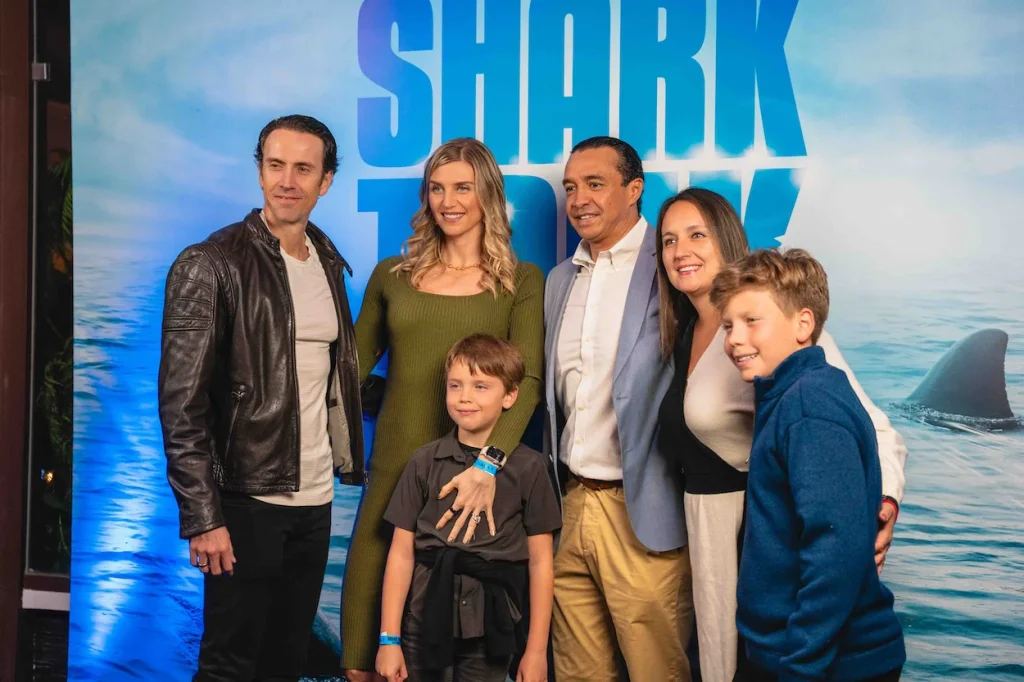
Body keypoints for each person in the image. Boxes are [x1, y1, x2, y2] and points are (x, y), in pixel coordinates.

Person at [654, 188, 908, 681]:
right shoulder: (689, 332)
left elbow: (869, 430)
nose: (680, 250)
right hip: (726, 540)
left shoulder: (785, 340)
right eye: (668, 240)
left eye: (696, 234)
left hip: (759, 535)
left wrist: (882, 504)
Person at [158, 114, 364, 681]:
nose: (287, 181)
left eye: (304, 169)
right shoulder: (210, 262)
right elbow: (181, 406)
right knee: (229, 666)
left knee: (286, 663)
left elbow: (324, 377)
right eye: (276, 165)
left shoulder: (326, 260)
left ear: (326, 181)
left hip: (315, 501)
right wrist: (203, 516)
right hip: (245, 501)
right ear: (259, 172)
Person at [341, 138, 545, 681]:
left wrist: (488, 465)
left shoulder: (521, 280)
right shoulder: (393, 276)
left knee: (454, 649)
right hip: (392, 472)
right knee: (362, 656)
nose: (447, 201)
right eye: (436, 188)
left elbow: (528, 383)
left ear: (488, 195)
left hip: (472, 484)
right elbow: (346, 373)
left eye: (462, 188)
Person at [711, 248, 906, 681]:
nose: (735, 339)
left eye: (751, 321)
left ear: (803, 324)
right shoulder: (792, 394)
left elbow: (834, 554)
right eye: (728, 325)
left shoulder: (808, 407)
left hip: (823, 663)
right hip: (793, 654)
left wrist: (801, 667)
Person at [544, 136, 694, 682]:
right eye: (570, 187)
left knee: (657, 671)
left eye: (595, 184)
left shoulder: (674, 266)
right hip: (571, 505)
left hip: (643, 513)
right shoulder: (560, 280)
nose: (578, 199)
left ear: (634, 190)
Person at [374, 334, 559, 682]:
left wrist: (535, 652)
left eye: (481, 387)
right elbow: (401, 552)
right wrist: (389, 639)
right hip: (421, 621)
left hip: (491, 628)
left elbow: (541, 562)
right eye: (455, 385)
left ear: (510, 396)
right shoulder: (423, 461)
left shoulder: (529, 468)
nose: (464, 397)